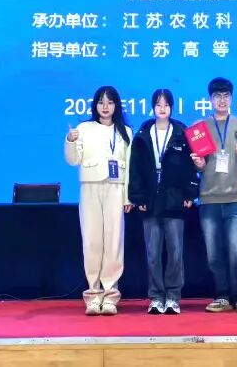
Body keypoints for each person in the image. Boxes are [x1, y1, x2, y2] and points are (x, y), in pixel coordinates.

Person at [64, 85, 134, 315]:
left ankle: (111, 294)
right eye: (101, 102)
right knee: (92, 241)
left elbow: (130, 168)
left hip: (115, 189)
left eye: (110, 102)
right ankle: (93, 295)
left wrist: (128, 197)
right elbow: (73, 160)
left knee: (114, 242)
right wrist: (70, 141)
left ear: (116, 106)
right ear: (95, 105)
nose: (105, 106)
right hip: (90, 187)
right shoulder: (83, 128)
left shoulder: (126, 131)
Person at [128, 89, 198, 315]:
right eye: (158, 104)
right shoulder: (142, 134)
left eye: (166, 104)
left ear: (172, 108)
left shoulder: (182, 133)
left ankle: (173, 297)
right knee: (153, 253)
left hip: (175, 198)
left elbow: (190, 166)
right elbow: (135, 168)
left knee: (175, 252)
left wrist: (190, 194)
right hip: (150, 199)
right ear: (152, 107)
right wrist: (137, 196)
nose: (162, 108)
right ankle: (156, 297)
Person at [190, 76, 237, 314]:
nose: (222, 100)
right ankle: (222, 296)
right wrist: (198, 165)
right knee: (213, 253)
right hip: (208, 197)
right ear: (210, 99)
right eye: (217, 96)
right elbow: (198, 164)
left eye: (226, 96)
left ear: (232, 98)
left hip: (236, 197)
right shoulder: (199, 128)